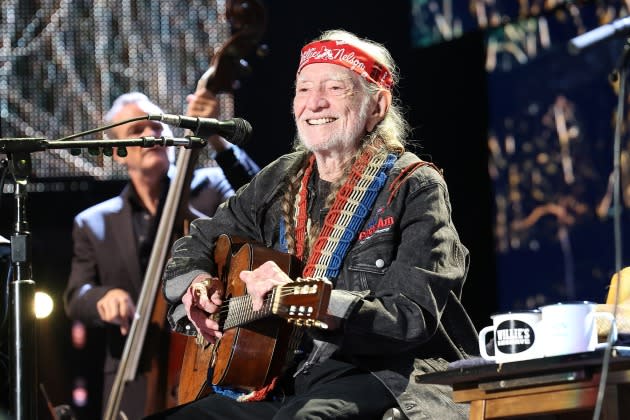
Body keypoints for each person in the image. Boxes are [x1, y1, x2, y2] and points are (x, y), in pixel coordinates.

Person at [153, 29, 479, 420]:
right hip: (289, 377)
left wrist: (310, 301)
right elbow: (200, 239)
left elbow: (410, 317)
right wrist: (197, 284)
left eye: (335, 88)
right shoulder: (279, 179)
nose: (314, 103)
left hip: (384, 375)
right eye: (303, 89)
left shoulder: (414, 185)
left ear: (377, 106)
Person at [63, 89, 259, 419]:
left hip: (211, 355)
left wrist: (215, 138)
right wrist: (101, 298)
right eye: (137, 131)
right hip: (136, 371)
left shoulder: (213, 187)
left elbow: (262, 200)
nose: (151, 134)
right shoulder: (93, 222)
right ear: (118, 152)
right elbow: (75, 296)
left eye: (157, 125)